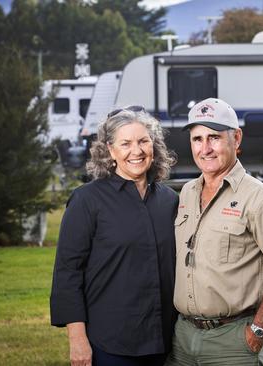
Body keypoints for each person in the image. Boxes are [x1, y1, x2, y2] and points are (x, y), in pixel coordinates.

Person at [166, 98, 263, 366]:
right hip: (182, 336)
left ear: (236, 139)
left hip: (233, 340)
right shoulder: (187, 193)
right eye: (197, 139)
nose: (205, 149)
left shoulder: (260, 198)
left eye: (214, 137)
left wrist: (258, 329)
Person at [50, 106, 178, 366]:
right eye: (125, 143)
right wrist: (78, 340)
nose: (137, 151)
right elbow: (68, 273)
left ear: (154, 145)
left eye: (143, 141)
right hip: (110, 343)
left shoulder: (170, 201)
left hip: (165, 339)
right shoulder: (86, 200)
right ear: (110, 151)